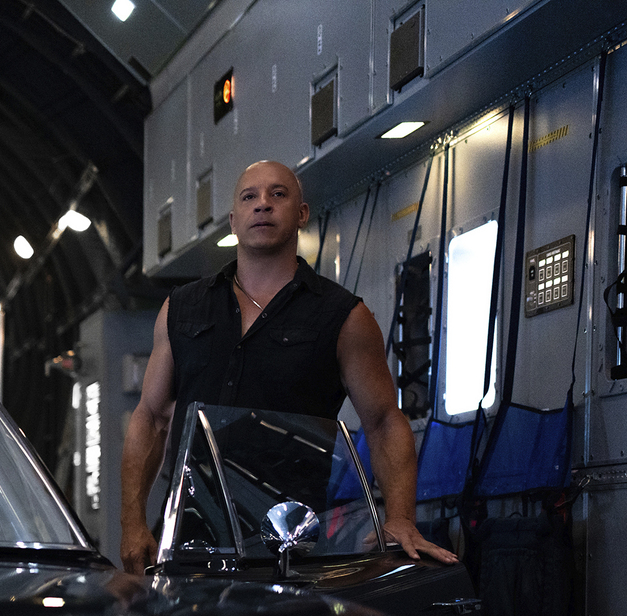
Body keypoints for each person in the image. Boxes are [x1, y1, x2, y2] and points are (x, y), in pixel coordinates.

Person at [119, 160, 458, 571]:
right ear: (233, 220)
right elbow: (151, 418)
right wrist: (132, 522)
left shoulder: (343, 315)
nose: (262, 204)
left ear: (301, 213)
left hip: (292, 546)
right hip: (187, 541)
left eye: (277, 194)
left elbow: (385, 421)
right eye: (249, 197)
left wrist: (401, 518)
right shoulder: (181, 307)